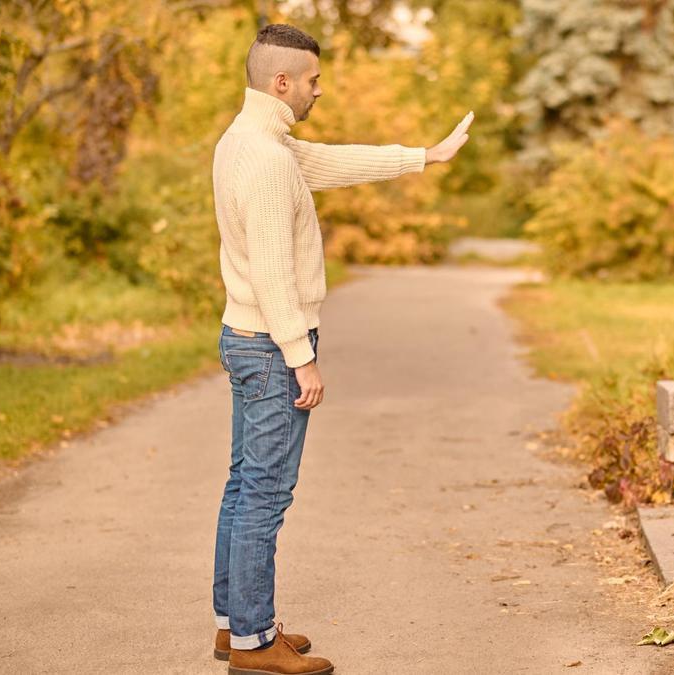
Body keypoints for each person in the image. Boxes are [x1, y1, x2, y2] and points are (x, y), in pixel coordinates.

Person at [210, 23, 471, 675]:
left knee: (244, 483)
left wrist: (424, 157)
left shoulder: (249, 141)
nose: (319, 90)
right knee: (265, 492)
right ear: (282, 82)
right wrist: (301, 356)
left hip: (244, 337)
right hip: (271, 347)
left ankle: (237, 623)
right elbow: (272, 273)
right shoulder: (268, 161)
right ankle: (251, 644)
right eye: (313, 80)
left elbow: (331, 161)